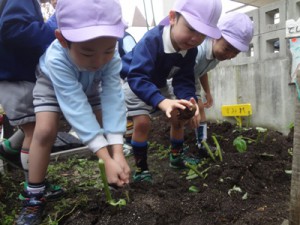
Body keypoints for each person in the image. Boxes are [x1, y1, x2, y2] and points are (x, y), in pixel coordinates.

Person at [16, 0, 130, 224]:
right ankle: (34, 195)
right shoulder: (57, 58)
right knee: (45, 131)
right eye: (88, 53)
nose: (98, 61)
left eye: (108, 50)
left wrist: (116, 151)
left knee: (104, 129)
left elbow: (113, 98)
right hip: (52, 83)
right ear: (62, 39)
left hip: (90, 85)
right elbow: (76, 105)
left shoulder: (110, 58)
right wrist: (104, 156)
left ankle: (115, 172)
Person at [121, 0, 222, 183]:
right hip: (135, 82)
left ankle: (176, 158)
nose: (196, 38)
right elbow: (137, 76)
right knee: (142, 123)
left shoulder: (189, 51)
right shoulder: (152, 40)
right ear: (173, 18)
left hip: (159, 84)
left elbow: (183, 79)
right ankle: (141, 169)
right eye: (191, 28)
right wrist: (161, 101)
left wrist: (189, 100)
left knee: (179, 116)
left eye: (203, 34)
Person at [0, 0, 64, 201]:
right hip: (16, 75)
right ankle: (34, 188)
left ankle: (9, 149)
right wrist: (52, 26)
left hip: (13, 75)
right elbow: (13, 29)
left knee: (29, 123)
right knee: (36, 130)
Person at [193, 12, 254, 152]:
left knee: (200, 109)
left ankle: (202, 144)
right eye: (227, 49)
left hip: (192, 77)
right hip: (177, 79)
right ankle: (177, 151)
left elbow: (202, 71)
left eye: (235, 53)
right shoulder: (199, 51)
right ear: (215, 36)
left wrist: (207, 92)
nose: (229, 55)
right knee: (185, 113)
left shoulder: (216, 55)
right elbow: (181, 75)